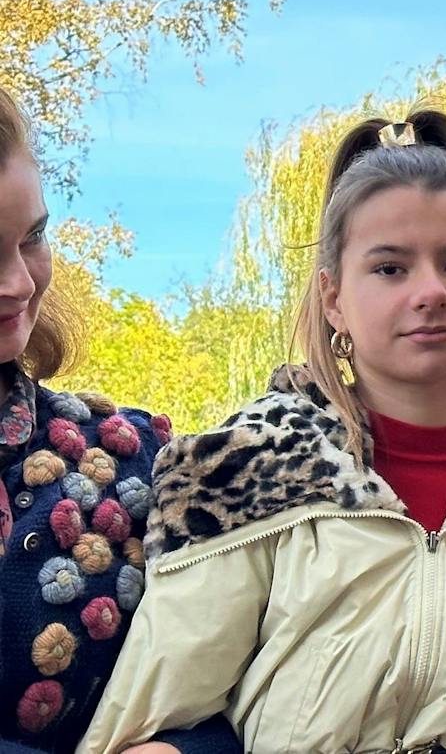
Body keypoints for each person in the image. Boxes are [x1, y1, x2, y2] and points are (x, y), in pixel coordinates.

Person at [83, 111, 446, 754]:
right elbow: (153, 726)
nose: (432, 291)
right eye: (390, 268)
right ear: (333, 298)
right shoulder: (249, 467)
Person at [0, 88, 235, 754]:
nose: (19, 281)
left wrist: (182, 749)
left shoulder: (133, 463)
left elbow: (245, 692)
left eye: (33, 237)